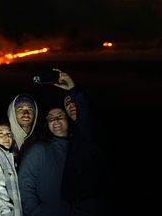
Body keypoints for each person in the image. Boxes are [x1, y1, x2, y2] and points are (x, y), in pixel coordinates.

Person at [53, 69, 112, 216]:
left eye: (75, 102)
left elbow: (87, 116)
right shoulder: (75, 135)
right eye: (67, 103)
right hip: (77, 206)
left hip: (92, 205)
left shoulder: (92, 127)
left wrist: (74, 90)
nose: (72, 105)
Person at [18, 107, 72, 216]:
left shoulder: (79, 149)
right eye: (51, 118)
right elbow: (25, 182)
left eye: (60, 116)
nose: (55, 120)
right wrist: (34, 212)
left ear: (69, 119)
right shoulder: (39, 150)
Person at [7, 94, 39, 163]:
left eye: (30, 109)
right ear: (12, 113)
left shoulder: (41, 141)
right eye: (20, 109)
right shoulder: (4, 141)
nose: (26, 114)